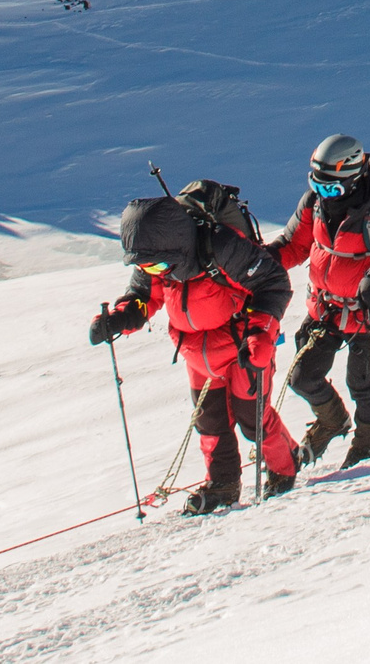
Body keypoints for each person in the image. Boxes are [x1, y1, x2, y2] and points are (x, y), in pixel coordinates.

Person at [90, 187, 302, 514]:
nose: (154, 272)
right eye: (147, 267)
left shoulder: (222, 246)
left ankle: (285, 467)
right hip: (196, 353)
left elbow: (272, 283)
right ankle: (222, 485)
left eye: (157, 266)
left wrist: (261, 332)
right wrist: (120, 318)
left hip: (243, 347)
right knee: (210, 423)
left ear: (176, 247)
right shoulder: (155, 259)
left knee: (253, 418)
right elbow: (142, 296)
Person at [275, 135, 370, 470]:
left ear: (352, 178)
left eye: (330, 188)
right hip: (325, 309)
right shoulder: (314, 204)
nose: (323, 194)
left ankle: (369, 443)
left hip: (367, 313)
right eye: (316, 185)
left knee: (362, 383)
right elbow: (293, 245)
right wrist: (262, 264)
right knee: (302, 377)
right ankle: (333, 420)